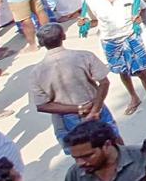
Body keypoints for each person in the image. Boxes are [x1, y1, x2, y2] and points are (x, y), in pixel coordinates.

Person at [29, 24, 115, 153]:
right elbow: (104, 83)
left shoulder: (36, 73)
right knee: (113, 142)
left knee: (83, 154)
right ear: (63, 36)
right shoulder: (84, 56)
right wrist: (95, 110)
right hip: (95, 107)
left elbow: (42, 106)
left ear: (41, 43)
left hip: (67, 118)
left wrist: (78, 109)